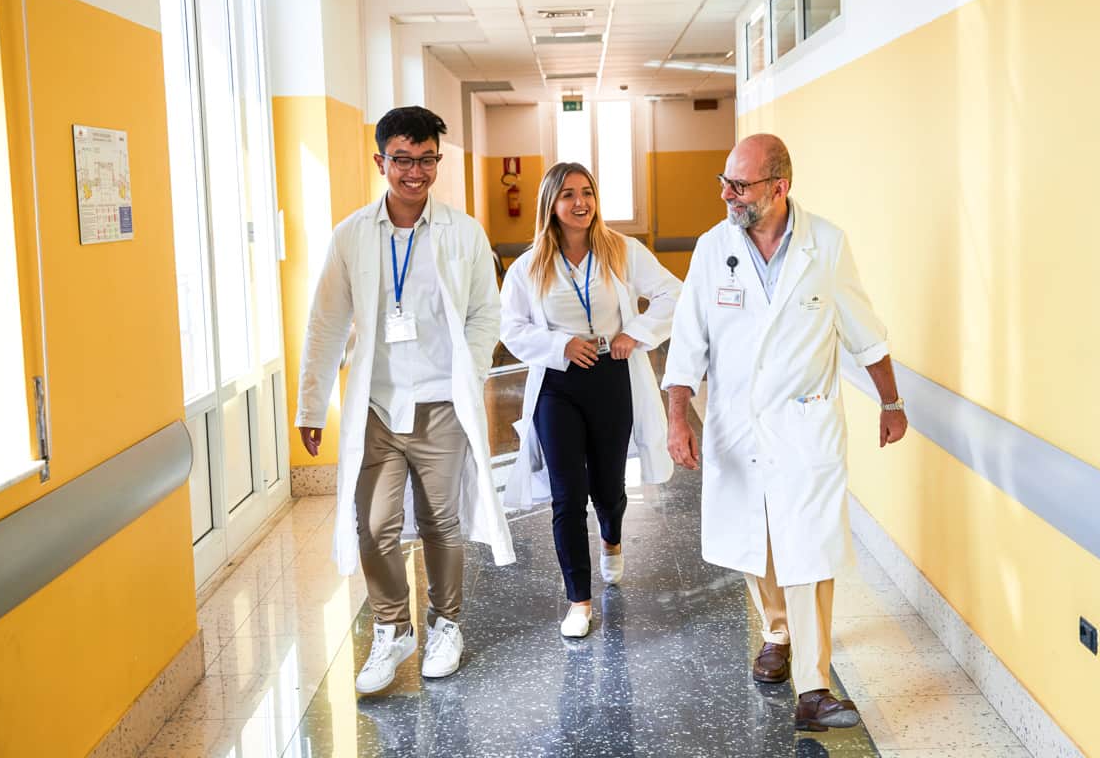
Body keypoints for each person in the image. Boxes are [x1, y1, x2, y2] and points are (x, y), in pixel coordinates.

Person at [662, 133, 907, 731]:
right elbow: (689, 340)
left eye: (740, 186)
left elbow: (863, 327)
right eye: (725, 182)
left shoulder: (825, 245)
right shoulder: (712, 247)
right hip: (737, 426)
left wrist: (891, 400)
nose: (727, 195)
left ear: (780, 187)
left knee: (809, 547)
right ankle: (776, 633)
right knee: (758, 541)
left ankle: (815, 686)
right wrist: (677, 416)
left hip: (805, 421)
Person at [295, 106, 514, 696]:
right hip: (378, 405)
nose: (414, 172)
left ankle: (446, 623)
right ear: (381, 161)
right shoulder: (352, 236)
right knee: (374, 525)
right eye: (402, 159)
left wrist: (465, 370)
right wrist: (311, 407)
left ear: (437, 161)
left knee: (443, 521)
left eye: (426, 160)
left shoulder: (463, 232)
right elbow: (325, 323)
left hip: (441, 401)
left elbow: (483, 313)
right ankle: (393, 628)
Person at [500, 162, 681, 638]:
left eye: (587, 192)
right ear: (550, 205)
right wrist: (560, 345)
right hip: (557, 385)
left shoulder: (621, 250)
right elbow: (512, 327)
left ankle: (612, 537)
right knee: (567, 495)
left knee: (608, 487)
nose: (580, 203)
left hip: (611, 376)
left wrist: (634, 334)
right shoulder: (530, 265)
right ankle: (578, 601)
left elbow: (671, 293)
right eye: (568, 195)